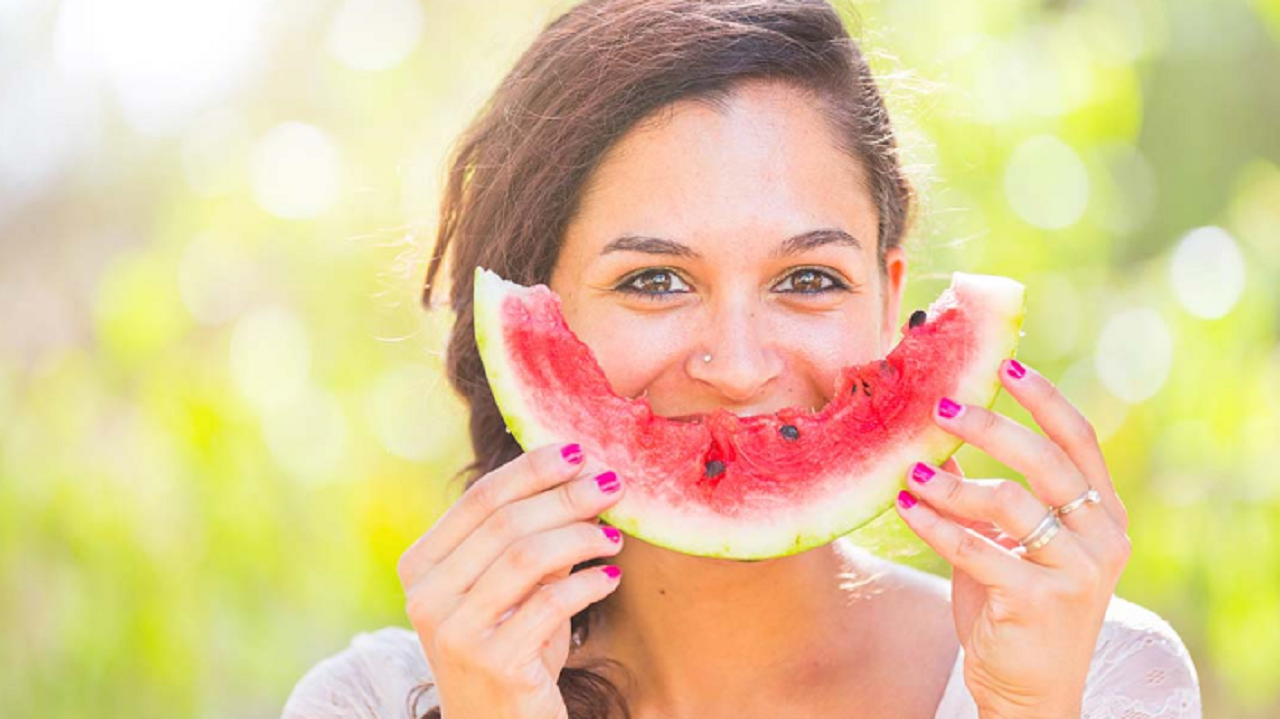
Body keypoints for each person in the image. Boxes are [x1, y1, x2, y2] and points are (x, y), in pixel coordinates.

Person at [282, 1, 1201, 717]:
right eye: (653, 281)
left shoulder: (1102, 678)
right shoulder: (369, 703)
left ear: (891, 299)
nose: (738, 363)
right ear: (535, 314)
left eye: (808, 278)